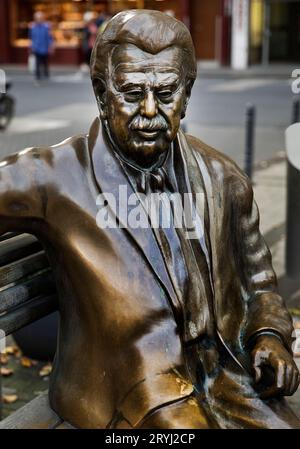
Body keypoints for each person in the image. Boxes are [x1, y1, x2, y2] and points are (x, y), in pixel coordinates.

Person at [0, 10, 300, 429]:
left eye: (165, 92)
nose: (148, 110)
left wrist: (268, 337)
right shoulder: (54, 175)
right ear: (102, 93)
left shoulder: (223, 178)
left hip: (224, 376)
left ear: (187, 94)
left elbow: (259, 285)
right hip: (128, 389)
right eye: (131, 91)